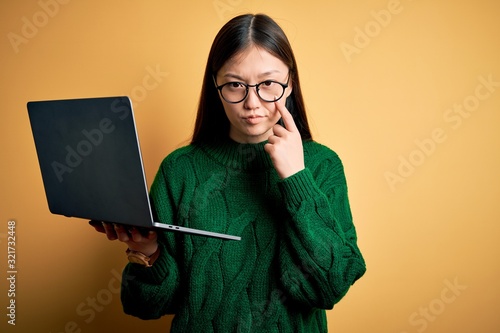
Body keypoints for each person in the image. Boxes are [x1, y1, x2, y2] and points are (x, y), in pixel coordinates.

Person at [91, 13, 366, 332]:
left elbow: (329, 288)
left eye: (268, 84)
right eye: (235, 84)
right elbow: (145, 306)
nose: (252, 103)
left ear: (289, 83)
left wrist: (296, 178)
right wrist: (147, 252)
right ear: (216, 85)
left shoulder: (321, 164)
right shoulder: (179, 170)